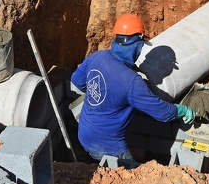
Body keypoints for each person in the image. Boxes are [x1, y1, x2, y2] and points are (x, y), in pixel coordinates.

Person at [70, 13, 196, 167]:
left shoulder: (96, 57)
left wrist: (99, 93)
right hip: (110, 148)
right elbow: (163, 113)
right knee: (131, 177)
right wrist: (182, 110)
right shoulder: (131, 82)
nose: (141, 48)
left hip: (84, 135)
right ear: (137, 44)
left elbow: (76, 80)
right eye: (141, 44)